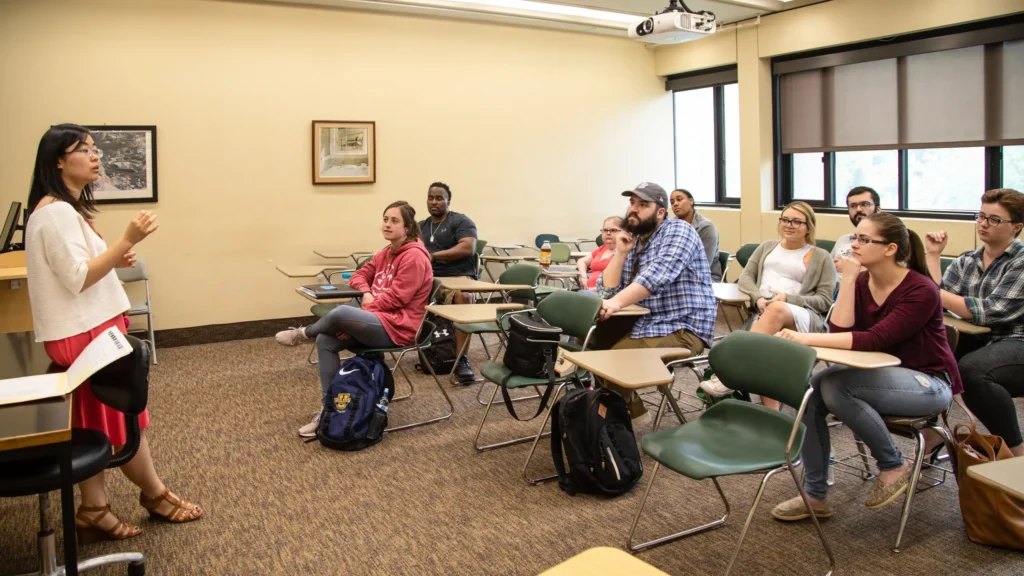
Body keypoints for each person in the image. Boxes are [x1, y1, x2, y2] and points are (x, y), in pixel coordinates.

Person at [24, 124, 202, 543]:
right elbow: (78, 277)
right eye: (83, 149)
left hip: (86, 328)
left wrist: (115, 258)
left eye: (94, 148)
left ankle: (95, 508)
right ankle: (154, 494)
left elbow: (80, 269)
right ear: (58, 161)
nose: (95, 155)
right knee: (120, 419)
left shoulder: (60, 209)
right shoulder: (56, 213)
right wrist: (126, 240)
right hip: (84, 332)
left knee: (97, 420)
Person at [770, 212, 958, 521]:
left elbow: (874, 338)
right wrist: (848, 279)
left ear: (890, 249)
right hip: (877, 377)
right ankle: (815, 496)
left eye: (865, 239)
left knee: (832, 385)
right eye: (855, 237)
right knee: (812, 393)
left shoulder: (920, 290)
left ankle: (893, 464)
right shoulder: (860, 282)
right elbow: (840, 329)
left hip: (928, 383)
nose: (854, 245)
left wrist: (804, 338)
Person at [276, 201, 433, 437]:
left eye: (394, 221)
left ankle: (304, 334)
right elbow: (359, 275)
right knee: (326, 342)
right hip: (377, 318)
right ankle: (329, 410)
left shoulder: (415, 258)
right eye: (385, 219)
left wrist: (354, 320)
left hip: (399, 326)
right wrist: (367, 293)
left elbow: (397, 299)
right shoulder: (385, 253)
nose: (387, 225)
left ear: (409, 227)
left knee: (339, 314)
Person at [593, 183, 717, 418]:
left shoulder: (679, 231)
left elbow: (656, 276)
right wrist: (620, 254)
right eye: (632, 203)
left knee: (612, 361)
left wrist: (615, 304)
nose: (633, 210)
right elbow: (608, 290)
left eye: (643, 205)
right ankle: (629, 411)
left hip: (682, 327)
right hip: (643, 322)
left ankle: (612, 420)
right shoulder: (635, 240)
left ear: (660, 212)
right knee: (588, 344)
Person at [702, 201, 835, 410]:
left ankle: (730, 373)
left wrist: (788, 299)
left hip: (803, 317)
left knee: (776, 309)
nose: (789, 225)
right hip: (765, 315)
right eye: (785, 220)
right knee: (766, 354)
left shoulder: (820, 256)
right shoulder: (767, 247)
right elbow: (745, 279)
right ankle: (772, 415)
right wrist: (757, 298)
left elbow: (825, 301)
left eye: (797, 222)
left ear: (808, 226)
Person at [925, 188, 1024, 458]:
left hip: (1016, 340)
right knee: (927, 353)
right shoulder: (966, 260)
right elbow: (942, 300)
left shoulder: (1021, 262)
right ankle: (931, 434)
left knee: (971, 372)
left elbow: (990, 311)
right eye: (980, 216)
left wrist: (933, 291)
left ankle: (1017, 454)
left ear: (1016, 227)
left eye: (994, 220)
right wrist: (933, 255)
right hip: (979, 339)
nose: (983, 224)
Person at [419, 182, 478, 384]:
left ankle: (461, 359)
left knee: (464, 296)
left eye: (439, 198)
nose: (434, 202)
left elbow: (467, 248)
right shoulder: (421, 226)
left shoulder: (460, 221)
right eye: (430, 197)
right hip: (428, 279)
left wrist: (434, 257)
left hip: (457, 277)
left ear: (448, 201)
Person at [670, 189, 722, 281]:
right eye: (672, 202)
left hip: (705, 277)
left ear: (691, 201)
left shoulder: (706, 227)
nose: (675, 204)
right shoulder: (671, 226)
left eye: (679, 199)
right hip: (676, 275)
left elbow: (704, 264)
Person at [831, 186, 881, 281]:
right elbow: (828, 268)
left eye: (864, 204)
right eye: (853, 206)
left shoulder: (885, 241)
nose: (858, 209)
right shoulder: (844, 239)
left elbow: (891, 273)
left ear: (878, 210)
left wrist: (850, 269)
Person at [574, 216, 623, 291]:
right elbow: (581, 261)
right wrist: (583, 276)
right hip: (588, 291)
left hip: (604, 294)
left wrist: (590, 290)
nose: (608, 233)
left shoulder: (622, 253)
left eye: (613, 230)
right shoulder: (601, 248)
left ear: (623, 232)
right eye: (605, 230)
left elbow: (618, 284)